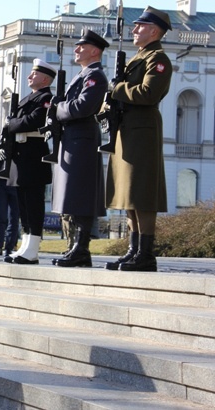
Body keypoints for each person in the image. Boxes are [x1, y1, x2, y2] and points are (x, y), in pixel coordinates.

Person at [104, 7, 173, 273]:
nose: (134, 30)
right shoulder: (138, 58)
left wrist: (117, 88)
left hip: (143, 131)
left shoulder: (158, 59)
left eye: (140, 26)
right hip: (127, 130)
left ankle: (145, 254)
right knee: (129, 195)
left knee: (142, 194)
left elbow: (148, 93)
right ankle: (133, 250)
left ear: (154, 31)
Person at [51, 29, 108, 268]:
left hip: (82, 140)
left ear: (94, 51)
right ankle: (76, 246)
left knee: (82, 195)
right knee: (73, 195)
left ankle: (82, 247)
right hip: (73, 139)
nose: (77, 49)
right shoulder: (83, 75)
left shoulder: (95, 76)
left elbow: (83, 107)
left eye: (81, 46)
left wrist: (58, 109)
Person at [3, 59, 55, 264]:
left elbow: (34, 121)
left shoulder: (46, 98)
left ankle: (32, 249)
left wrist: (12, 124)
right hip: (20, 155)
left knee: (33, 204)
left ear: (45, 79)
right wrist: (13, 124)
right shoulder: (27, 98)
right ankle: (25, 246)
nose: (29, 77)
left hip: (34, 156)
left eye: (34, 74)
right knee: (23, 205)